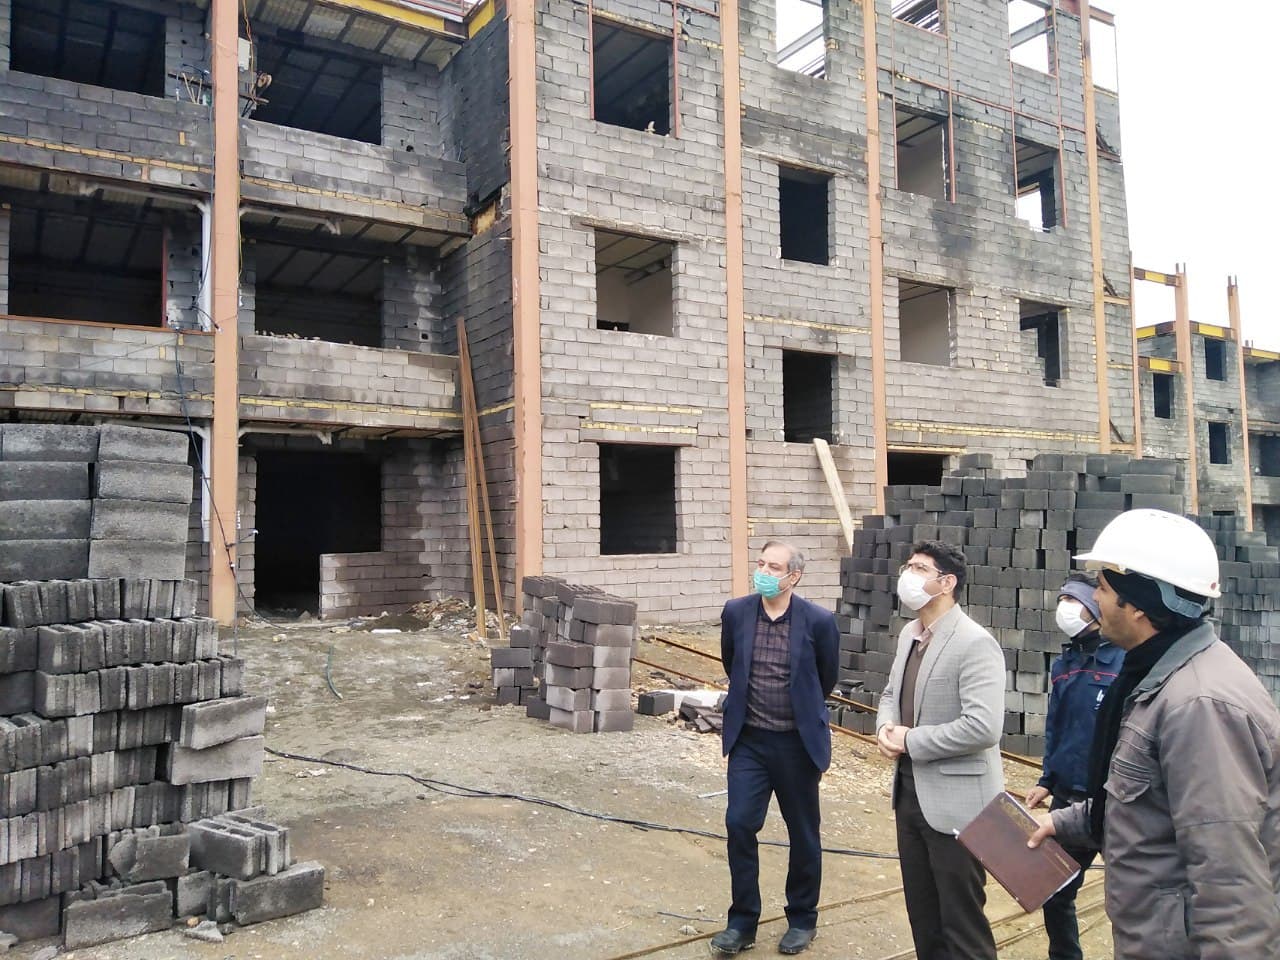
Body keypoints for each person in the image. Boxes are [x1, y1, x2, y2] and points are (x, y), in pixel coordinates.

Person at [1029, 509, 1280, 959]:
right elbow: (1145, 802)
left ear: (1139, 604)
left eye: (1102, 589)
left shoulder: (1199, 705)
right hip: (1156, 936)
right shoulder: (1157, 675)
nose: (1095, 600)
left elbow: (1228, 876)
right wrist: (1063, 821)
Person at [876, 539, 1004, 960]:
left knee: (962, 926)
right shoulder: (910, 635)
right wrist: (885, 727)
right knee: (924, 918)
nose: (907, 576)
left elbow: (983, 727)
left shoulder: (974, 642)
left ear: (946, 583)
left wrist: (910, 740)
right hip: (909, 796)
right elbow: (891, 693)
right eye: (907, 567)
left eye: (919, 568)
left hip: (958, 806)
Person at [712, 541, 839, 956]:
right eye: (761, 564)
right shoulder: (736, 612)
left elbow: (825, 679)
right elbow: (732, 663)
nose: (764, 572)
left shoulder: (819, 621)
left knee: (803, 833)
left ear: (794, 576)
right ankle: (742, 922)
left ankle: (802, 919)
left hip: (796, 745)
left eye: (774, 567)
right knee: (739, 824)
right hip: (749, 741)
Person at [1024, 572, 1122, 960]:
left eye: (1073, 601)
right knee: (1056, 891)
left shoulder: (1124, 664)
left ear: (1096, 608)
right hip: (1067, 800)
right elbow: (1057, 727)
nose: (1064, 608)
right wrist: (1047, 779)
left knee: (1127, 899)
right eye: (1062, 600)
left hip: (1112, 803)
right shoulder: (1065, 663)